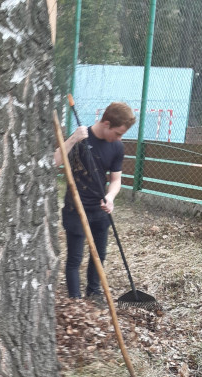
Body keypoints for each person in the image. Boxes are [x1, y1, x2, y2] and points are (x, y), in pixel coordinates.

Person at [54, 102, 136, 302]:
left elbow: (116, 180)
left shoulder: (117, 146)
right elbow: (54, 161)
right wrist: (72, 139)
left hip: (100, 209)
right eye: (118, 133)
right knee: (75, 258)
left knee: (99, 255)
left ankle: (94, 293)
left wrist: (110, 197)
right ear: (106, 124)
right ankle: (75, 301)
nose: (120, 138)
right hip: (76, 207)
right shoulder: (81, 139)